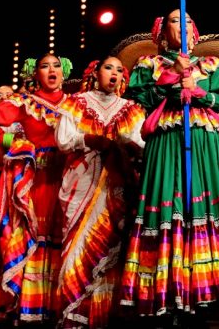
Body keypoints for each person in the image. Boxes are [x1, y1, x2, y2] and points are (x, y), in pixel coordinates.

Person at [117, 12, 219, 317]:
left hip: (205, 141)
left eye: (188, 20)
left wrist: (197, 89)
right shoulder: (149, 65)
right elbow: (138, 97)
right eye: (174, 20)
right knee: (170, 204)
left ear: (195, 33)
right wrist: (171, 82)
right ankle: (168, 293)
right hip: (167, 139)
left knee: (208, 206)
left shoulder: (212, 66)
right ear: (163, 32)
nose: (182, 25)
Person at [0, 53, 73, 322]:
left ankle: (60, 305)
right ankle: (31, 306)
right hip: (37, 180)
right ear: (36, 75)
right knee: (36, 236)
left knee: (65, 237)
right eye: (45, 66)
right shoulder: (25, 103)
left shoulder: (76, 103)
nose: (51, 70)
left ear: (64, 72)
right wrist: (14, 143)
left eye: (56, 65)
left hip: (68, 178)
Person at [54, 56, 145, 327]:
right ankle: (74, 311)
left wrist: (124, 146)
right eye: (108, 68)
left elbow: (141, 142)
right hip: (81, 182)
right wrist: (91, 139)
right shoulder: (75, 102)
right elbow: (63, 140)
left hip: (117, 183)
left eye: (120, 70)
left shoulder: (131, 109)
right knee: (78, 242)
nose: (114, 73)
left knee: (112, 245)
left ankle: (105, 313)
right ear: (95, 73)